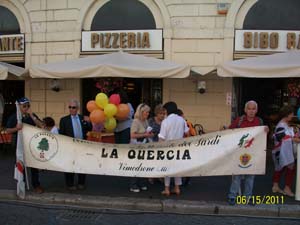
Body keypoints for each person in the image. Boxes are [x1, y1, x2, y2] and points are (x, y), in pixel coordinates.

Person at [227, 100, 267, 205]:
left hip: (253, 154)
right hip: (239, 153)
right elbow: (229, 132)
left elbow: (264, 137)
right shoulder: (239, 121)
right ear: (245, 110)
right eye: (249, 108)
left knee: (250, 177)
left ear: (256, 110)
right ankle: (232, 196)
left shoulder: (260, 122)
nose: (251, 111)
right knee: (237, 176)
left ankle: (247, 197)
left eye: (253, 109)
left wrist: (267, 130)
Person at [6, 97, 45, 194]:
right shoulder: (14, 117)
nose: (26, 108)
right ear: (19, 106)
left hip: (31, 144)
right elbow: (7, 130)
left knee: (34, 166)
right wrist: (16, 128)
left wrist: (32, 114)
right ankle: (21, 184)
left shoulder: (31, 115)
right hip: (19, 145)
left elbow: (41, 125)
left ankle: (36, 185)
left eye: (28, 106)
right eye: (24, 106)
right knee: (21, 165)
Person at [59, 99, 92, 191]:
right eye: (69, 107)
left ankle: (81, 183)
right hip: (70, 147)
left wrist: (89, 121)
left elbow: (89, 129)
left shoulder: (82, 118)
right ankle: (70, 184)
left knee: (82, 165)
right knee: (69, 166)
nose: (71, 109)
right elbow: (62, 135)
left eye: (73, 107)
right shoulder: (64, 120)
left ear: (77, 108)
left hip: (82, 146)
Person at [159, 102, 189, 196]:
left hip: (167, 148)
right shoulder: (181, 120)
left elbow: (162, 137)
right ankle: (177, 188)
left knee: (166, 168)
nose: (164, 113)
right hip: (179, 147)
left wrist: (158, 149)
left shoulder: (165, 121)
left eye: (165, 110)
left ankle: (167, 189)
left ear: (167, 110)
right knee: (177, 168)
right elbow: (187, 133)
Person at [272, 105, 300, 197]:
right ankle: (287, 188)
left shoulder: (283, 124)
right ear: (287, 114)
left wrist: (293, 137)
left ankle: (275, 186)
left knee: (279, 168)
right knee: (289, 168)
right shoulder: (282, 125)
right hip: (282, 151)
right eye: (291, 114)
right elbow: (281, 137)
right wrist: (294, 139)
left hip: (281, 151)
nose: (292, 116)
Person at [130, 103, 154, 192]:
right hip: (136, 146)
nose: (148, 114)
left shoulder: (145, 121)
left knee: (143, 164)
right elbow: (132, 135)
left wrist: (150, 134)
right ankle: (133, 185)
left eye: (148, 112)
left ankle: (142, 183)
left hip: (144, 146)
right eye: (146, 112)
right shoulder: (135, 121)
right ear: (141, 112)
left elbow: (147, 132)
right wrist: (145, 134)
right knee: (136, 165)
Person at [147, 104, 166, 184]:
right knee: (152, 161)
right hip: (152, 143)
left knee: (161, 161)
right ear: (156, 113)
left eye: (163, 114)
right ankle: (151, 176)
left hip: (162, 144)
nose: (162, 115)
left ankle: (160, 176)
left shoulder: (166, 121)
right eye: (160, 113)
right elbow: (147, 132)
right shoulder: (151, 121)